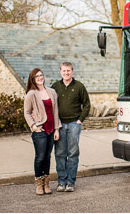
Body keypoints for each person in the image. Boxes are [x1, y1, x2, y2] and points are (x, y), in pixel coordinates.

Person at [51, 62, 91, 192]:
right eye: (64, 71)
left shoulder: (79, 86)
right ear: (60, 72)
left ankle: (70, 182)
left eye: (68, 71)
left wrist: (80, 120)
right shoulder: (55, 87)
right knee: (60, 153)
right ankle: (61, 182)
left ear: (72, 72)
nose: (66, 73)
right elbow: (50, 105)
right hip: (60, 125)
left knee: (73, 153)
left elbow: (86, 104)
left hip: (74, 124)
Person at [24, 68, 61, 195]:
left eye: (41, 75)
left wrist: (57, 129)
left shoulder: (52, 92)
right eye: (37, 76)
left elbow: (55, 111)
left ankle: (46, 184)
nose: (40, 77)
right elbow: (27, 112)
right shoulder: (31, 94)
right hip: (40, 130)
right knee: (40, 157)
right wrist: (33, 126)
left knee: (47, 157)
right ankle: (39, 185)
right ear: (33, 79)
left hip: (51, 129)